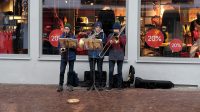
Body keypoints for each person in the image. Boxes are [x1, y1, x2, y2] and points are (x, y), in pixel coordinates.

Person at [87, 22, 106, 91]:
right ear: (94, 28)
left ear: (101, 28)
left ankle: (99, 85)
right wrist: (92, 37)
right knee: (92, 70)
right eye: (96, 27)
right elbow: (87, 41)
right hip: (91, 54)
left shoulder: (103, 34)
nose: (97, 29)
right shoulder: (91, 33)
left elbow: (104, 42)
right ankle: (92, 84)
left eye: (99, 27)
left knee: (99, 70)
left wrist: (98, 38)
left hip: (99, 55)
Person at [57, 23, 76, 92]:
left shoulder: (73, 37)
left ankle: (70, 85)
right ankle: (60, 85)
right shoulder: (61, 37)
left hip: (71, 56)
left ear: (70, 30)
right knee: (62, 71)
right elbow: (59, 47)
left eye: (67, 29)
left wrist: (72, 45)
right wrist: (61, 50)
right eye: (65, 29)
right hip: (64, 56)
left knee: (70, 71)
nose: (66, 30)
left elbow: (75, 47)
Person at [107, 22, 126, 90]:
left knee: (119, 71)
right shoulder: (110, 35)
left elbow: (124, 43)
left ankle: (119, 86)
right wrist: (110, 42)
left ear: (119, 29)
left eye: (117, 29)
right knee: (111, 71)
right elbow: (107, 45)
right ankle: (110, 85)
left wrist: (119, 37)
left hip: (120, 55)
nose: (115, 30)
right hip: (112, 54)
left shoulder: (123, 35)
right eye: (114, 29)